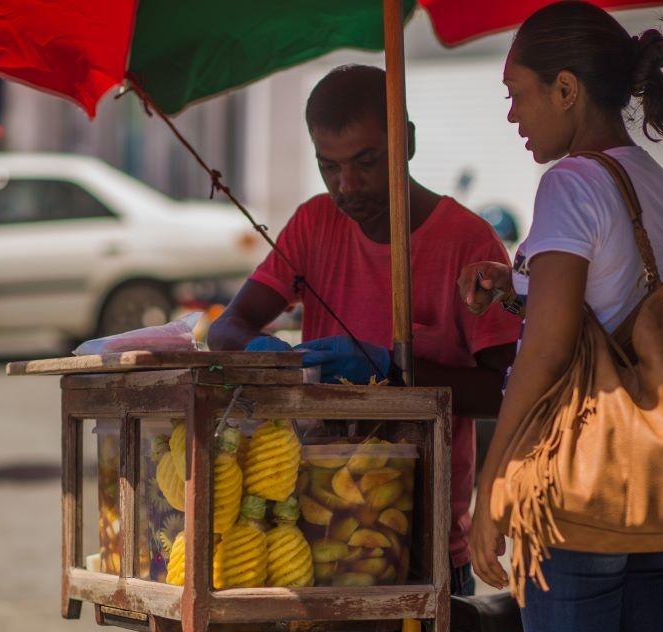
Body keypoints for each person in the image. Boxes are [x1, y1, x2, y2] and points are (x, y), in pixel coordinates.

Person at [462, 3, 663, 632]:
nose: (511, 114)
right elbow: (612, 310)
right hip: (650, 487)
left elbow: (547, 352)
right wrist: (518, 286)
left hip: (577, 488)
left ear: (567, 89)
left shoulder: (570, 184)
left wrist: (493, 482)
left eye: (519, 93)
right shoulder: (652, 181)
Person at [208, 64, 522, 596]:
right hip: (306, 529)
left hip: (421, 539)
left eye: (366, 162)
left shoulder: (470, 243)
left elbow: (503, 391)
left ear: (408, 142)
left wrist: (393, 371)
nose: (346, 186)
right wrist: (265, 352)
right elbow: (226, 329)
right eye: (328, 167)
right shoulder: (314, 223)